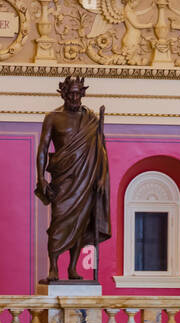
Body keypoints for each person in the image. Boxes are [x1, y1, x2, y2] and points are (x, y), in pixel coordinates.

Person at [35, 75, 111, 284]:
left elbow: (101, 150)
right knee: (59, 222)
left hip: (86, 179)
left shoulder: (91, 119)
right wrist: (41, 177)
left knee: (81, 223)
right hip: (64, 179)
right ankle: (53, 267)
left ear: (83, 94)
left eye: (78, 94)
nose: (75, 98)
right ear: (64, 94)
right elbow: (42, 149)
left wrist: (102, 176)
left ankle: (72, 267)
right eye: (71, 94)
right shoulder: (53, 117)